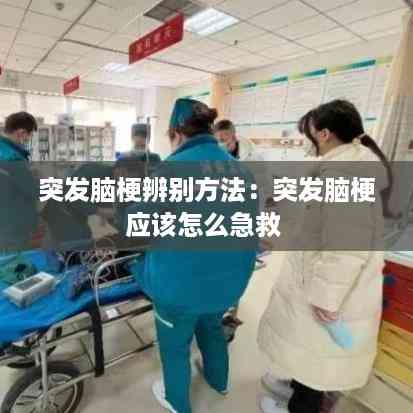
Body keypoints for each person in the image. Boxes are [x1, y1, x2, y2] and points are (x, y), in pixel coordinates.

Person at [123, 99, 258, 413]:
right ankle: (219, 381)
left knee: (175, 347)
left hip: (180, 289)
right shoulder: (241, 169)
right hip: (228, 284)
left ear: (177, 133)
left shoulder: (171, 170)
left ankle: (177, 401)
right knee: (212, 329)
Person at [258, 100, 391, 413]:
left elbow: (346, 247)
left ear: (325, 133)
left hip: (327, 287)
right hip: (317, 276)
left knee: (316, 354)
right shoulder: (347, 165)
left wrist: (325, 298)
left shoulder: (343, 174)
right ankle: (296, 385)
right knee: (309, 348)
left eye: (310, 134)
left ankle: (301, 407)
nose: (309, 142)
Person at [0, 112, 39, 252]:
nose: (29, 139)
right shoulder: (13, 157)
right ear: (21, 133)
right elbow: (33, 190)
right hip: (13, 227)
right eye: (30, 135)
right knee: (15, 261)